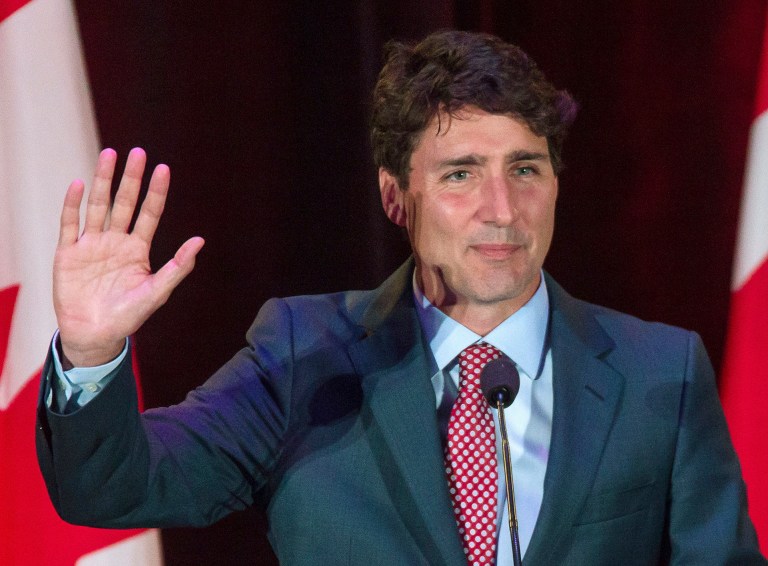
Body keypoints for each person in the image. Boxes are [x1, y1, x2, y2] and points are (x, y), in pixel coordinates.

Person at [36, 30, 765, 565]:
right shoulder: (304, 355)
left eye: (526, 169)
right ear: (396, 196)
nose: (502, 208)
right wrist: (92, 355)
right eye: (460, 174)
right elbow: (113, 489)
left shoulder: (659, 373)